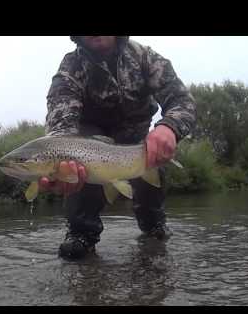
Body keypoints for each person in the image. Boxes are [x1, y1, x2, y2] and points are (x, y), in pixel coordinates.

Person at [39, 36, 196, 260]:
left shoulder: (145, 57)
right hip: (88, 146)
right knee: (77, 171)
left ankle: (154, 227)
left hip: (138, 142)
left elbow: (182, 100)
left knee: (152, 187)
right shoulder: (69, 70)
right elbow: (61, 129)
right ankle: (81, 235)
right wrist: (58, 169)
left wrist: (168, 128)